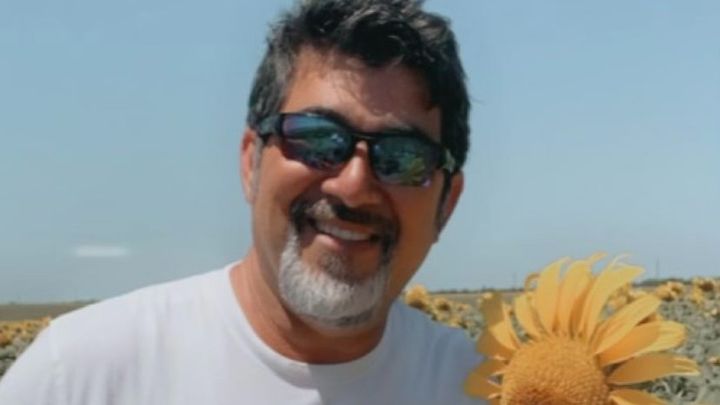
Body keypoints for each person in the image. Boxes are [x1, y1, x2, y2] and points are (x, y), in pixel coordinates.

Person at [0, 0, 483, 403]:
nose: (353, 185)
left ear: (448, 204)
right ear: (251, 162)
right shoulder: (79, 377)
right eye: (316, 138)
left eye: (404, 157)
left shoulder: (483, 387)